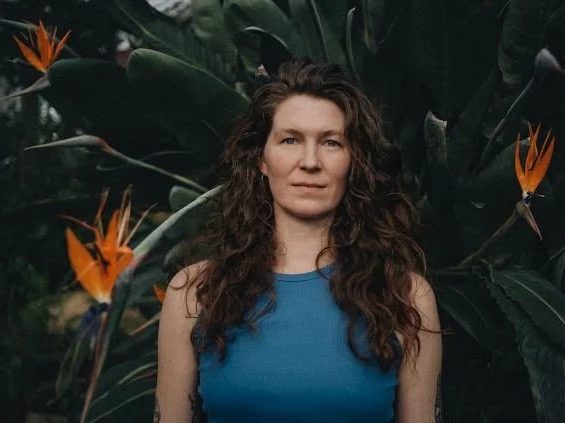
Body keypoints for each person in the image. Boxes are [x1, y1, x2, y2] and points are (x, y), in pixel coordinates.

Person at [155, 58, 442, 423]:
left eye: (331, 143)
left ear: (354, 161)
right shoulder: (195, 293)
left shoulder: (405, 296)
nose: (310, 161)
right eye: (290, 140)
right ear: (261, 159)